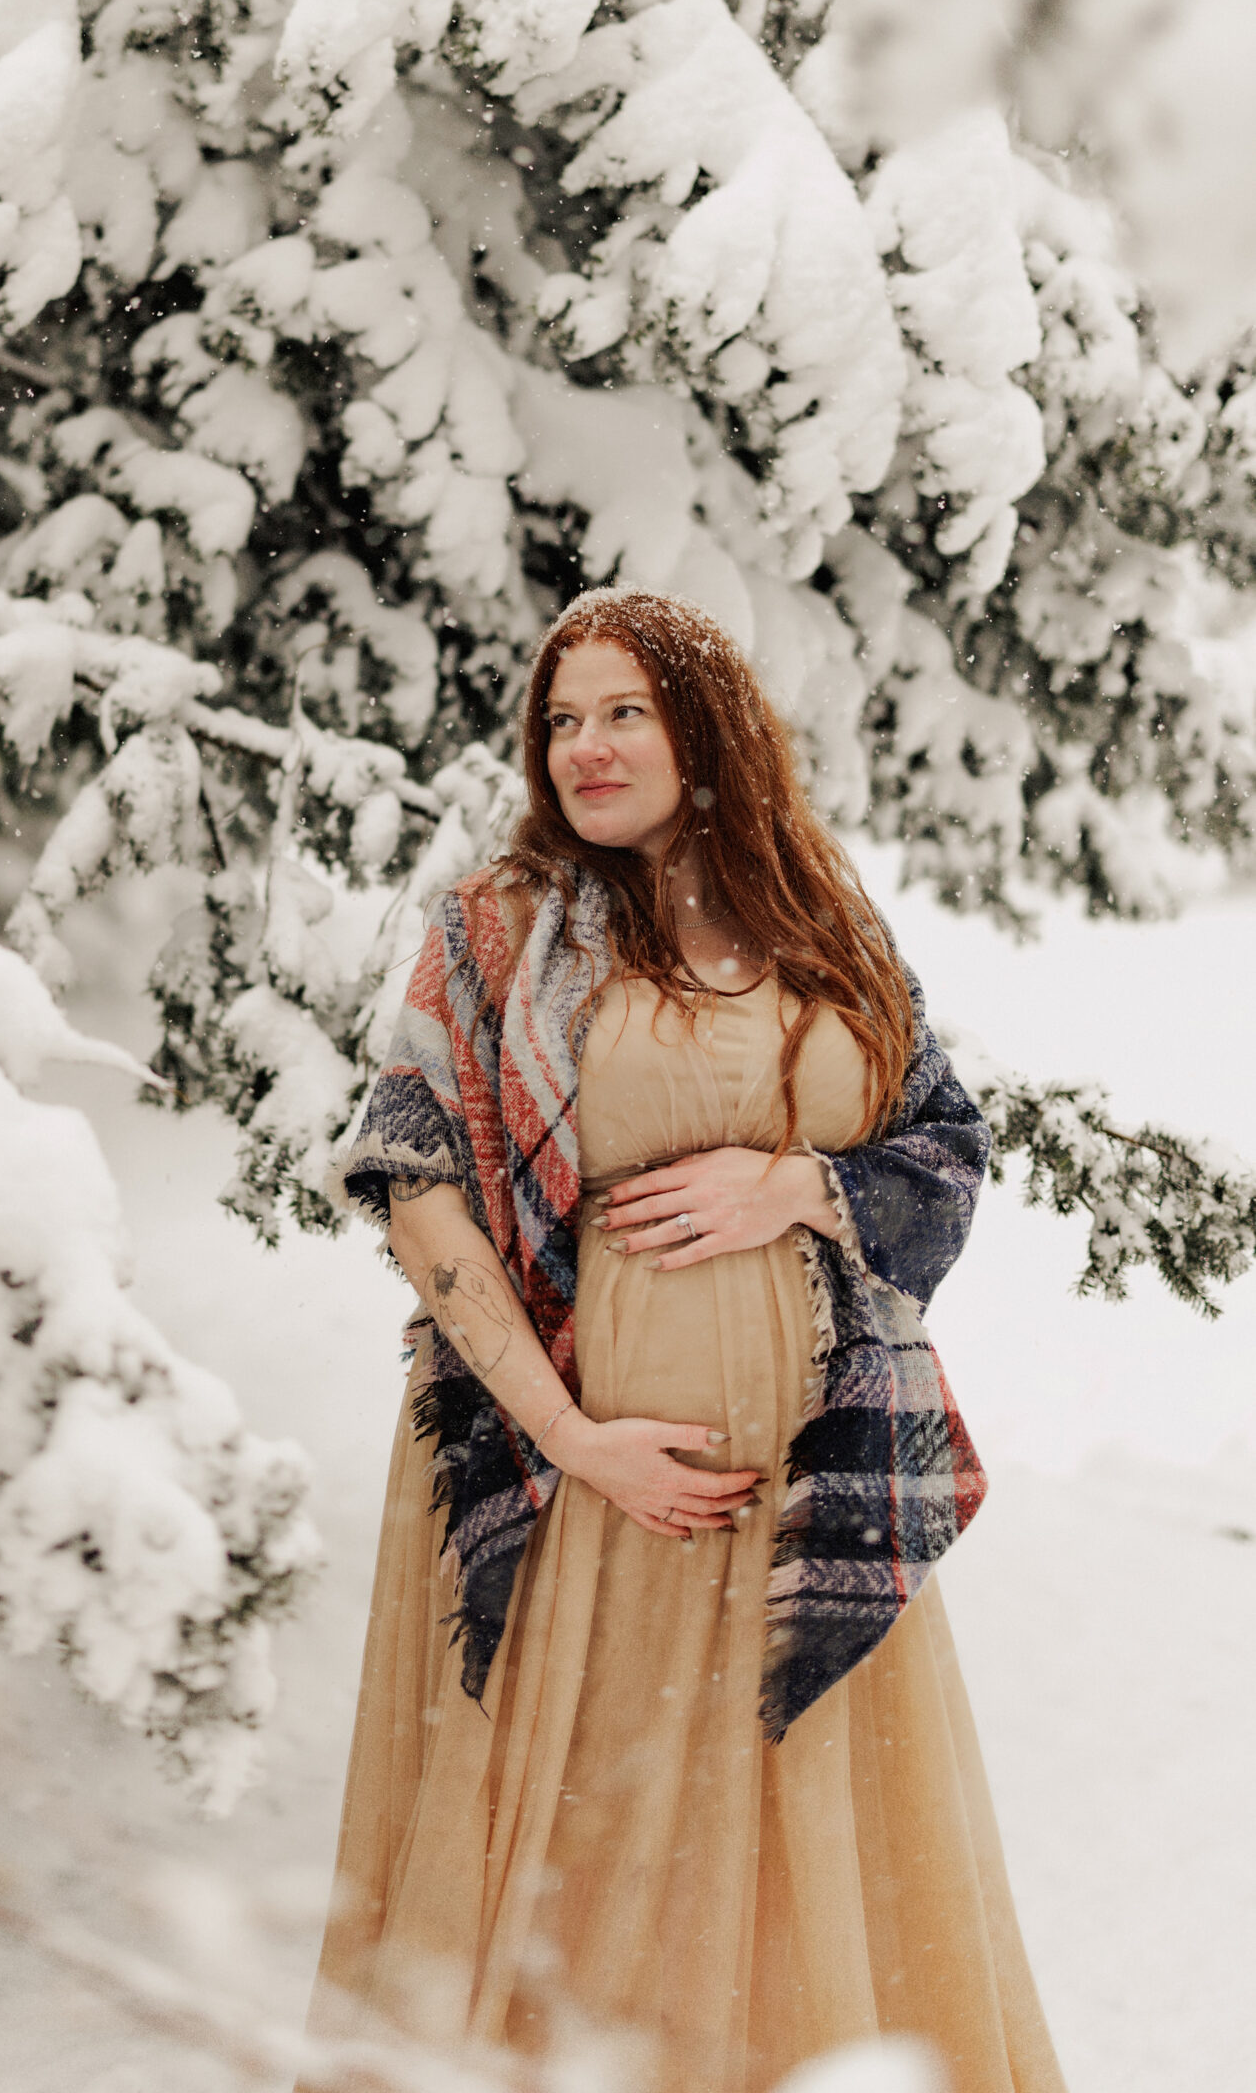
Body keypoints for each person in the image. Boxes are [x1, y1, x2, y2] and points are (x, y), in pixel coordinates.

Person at [309, 588, 1066, 2093]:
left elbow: (946, 1148)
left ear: (705, 730)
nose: (584, 747)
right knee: (591, 1849)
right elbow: (418, 1201)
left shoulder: (825, 923)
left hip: (813, 1478)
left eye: (623, 712)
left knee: (803, 1857)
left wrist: (797, 1181)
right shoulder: (500, 932)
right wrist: (572, 1437)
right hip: (587, 1483)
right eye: (561, 719)